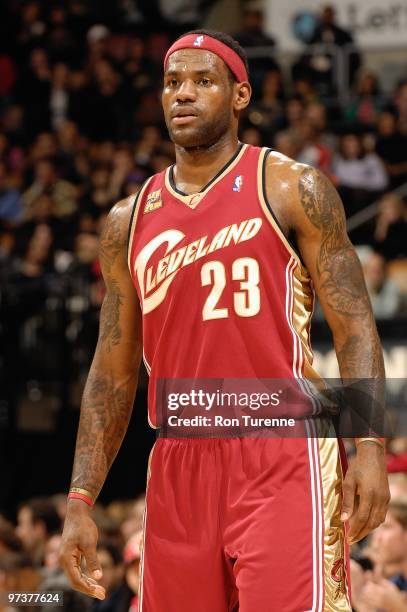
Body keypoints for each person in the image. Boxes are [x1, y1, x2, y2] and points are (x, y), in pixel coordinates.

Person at [59, 30, 389, 611]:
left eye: (202, 81)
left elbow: (355, 326)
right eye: (172, 83)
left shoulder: (293, 187)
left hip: (281, 448)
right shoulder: (127, 221)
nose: (183, 94)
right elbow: (111, 372)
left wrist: (367, 445)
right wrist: (81, 498)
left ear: (240, 95)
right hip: (179, 455)